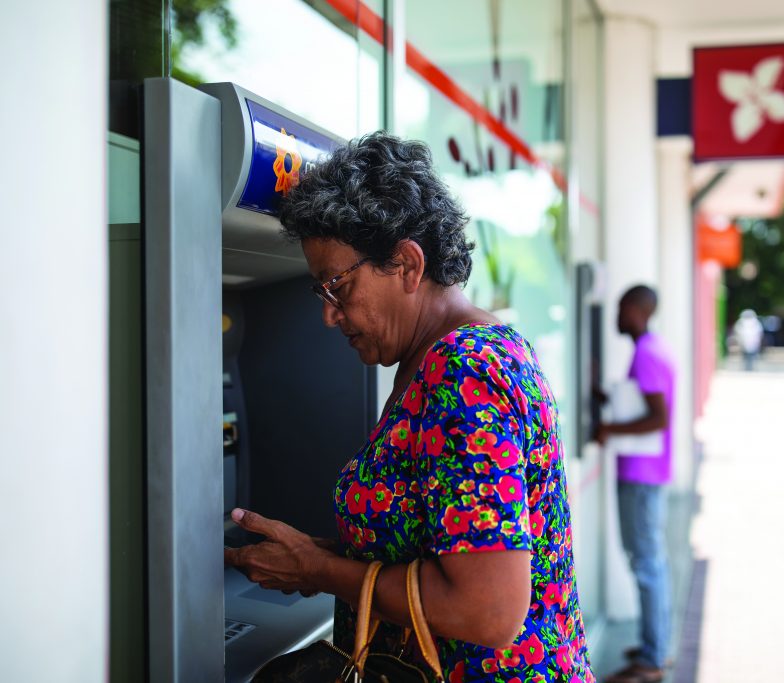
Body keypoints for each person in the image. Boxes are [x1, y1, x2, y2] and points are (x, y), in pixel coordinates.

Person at [224, 132, 593, 681]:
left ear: (407, 264)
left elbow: (486, 610)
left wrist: (322, 569)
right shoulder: (451, 358)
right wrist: (316, 555)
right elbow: (436, 540)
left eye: (337, 287)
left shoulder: (464, 374)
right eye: (319, 293)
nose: (328, 315)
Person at [596, 286, 675, 683]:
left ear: (636, 310)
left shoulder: (646, 353)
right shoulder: (652, 348)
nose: (615, 316)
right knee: (650, 562)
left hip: (641, 476)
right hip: (645, 473)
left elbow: (657, 417)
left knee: (647, 565)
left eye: (620, 307)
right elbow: (642, 404)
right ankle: (655, 644)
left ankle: (652, 658)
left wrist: (609, 427)